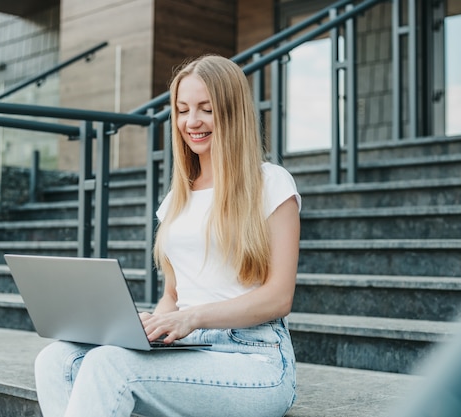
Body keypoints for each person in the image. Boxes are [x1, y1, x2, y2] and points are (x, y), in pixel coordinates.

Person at [34, 54, 301, 417]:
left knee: (109, 366)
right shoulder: (175, 200)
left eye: (206, 109)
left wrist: (191, 318)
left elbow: (279, 297)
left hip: (255, 357)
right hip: (186, 347)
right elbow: (173, 296)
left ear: (233, 112)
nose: (192, 122)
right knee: (56, 360)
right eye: (183, 110)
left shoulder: (271, 182)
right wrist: (149, 327)